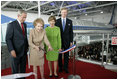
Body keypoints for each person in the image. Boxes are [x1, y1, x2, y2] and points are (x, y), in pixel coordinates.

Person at [6, 9, 29, 78]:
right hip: (15, 51)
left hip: (24, 51)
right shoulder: (11, 25)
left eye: (25, 17)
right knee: (15, 70)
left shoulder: (24, 25)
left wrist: (27, 46)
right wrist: (11, 50)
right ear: (18, 16)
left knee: (23, 69)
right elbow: (8, 39)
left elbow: (24, 37)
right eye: (23, 17)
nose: (24, 19)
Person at [55, 7, 73, 73]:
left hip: (67, 41)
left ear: (67, 13)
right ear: (61, 13)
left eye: (65, 12)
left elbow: (71, 32)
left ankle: (65, 67)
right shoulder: (57, 21)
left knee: (66, 55)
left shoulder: (69, 21)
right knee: (59, 55)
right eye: (63, 12)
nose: (64, 13)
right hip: (59, 41)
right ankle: (60, 67)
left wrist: (71, 41)